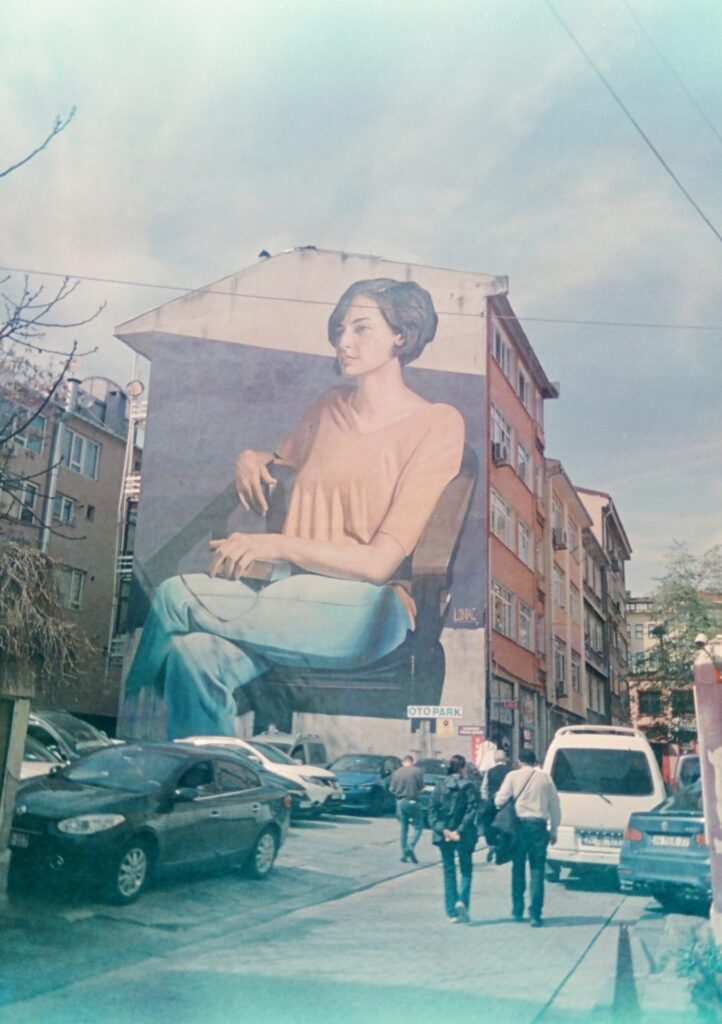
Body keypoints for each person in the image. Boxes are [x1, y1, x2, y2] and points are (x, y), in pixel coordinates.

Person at [123, 278, 465, 739]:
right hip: (285, 602)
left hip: (363, 609)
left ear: (401, 336)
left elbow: (379, 561)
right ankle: (218, 784)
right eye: (341, 329)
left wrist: (275, 545)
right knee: (193, 658)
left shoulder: (437, 423)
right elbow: (285, 463)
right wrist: (251, 458)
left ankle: (121, 736)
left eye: (361, 328)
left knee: (173, 595)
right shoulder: (329, 409)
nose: (344, 341)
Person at [494, 748, 561, 927]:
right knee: (537, 870)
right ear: (535, 761)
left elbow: (499, 801)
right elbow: (555, 805)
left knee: (518, 868)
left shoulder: (512, 776)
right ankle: (535, 914)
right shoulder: (546, 778)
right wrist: (554, 830)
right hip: (538, 827)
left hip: (518, 827)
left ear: (520, 761)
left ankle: (517, 910)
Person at [428, 753, 480, 923]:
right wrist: (459, 830)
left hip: (444, 834)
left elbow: (432, 812)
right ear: (463, 768)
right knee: (466, 869)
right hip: (463, 834)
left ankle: (451, 912)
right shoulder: (469, 786)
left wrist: (443, 830)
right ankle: (462, 901)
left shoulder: (440, 786)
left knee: (448, 871)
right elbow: (472, 810)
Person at [389, 755, 425, 863]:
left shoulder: (396, 773)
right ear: (412, 762)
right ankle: (410, 847)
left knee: (404, 829)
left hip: (400, 802)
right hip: (413, 801)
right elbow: (421, 786)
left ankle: (404, 853)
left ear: (403, 762)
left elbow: (391, 789)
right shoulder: (417, 771)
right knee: (419, 827)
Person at [480, 749, 512, 860]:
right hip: (507, 804)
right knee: (508, 825)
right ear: (505, 759)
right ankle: (505, 847)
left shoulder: (490, 771)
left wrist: (487, 799)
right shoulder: (511, 771)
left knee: (488, 822)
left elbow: (483, 788)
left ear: (495, 759)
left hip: (492, 801)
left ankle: (492, 844)